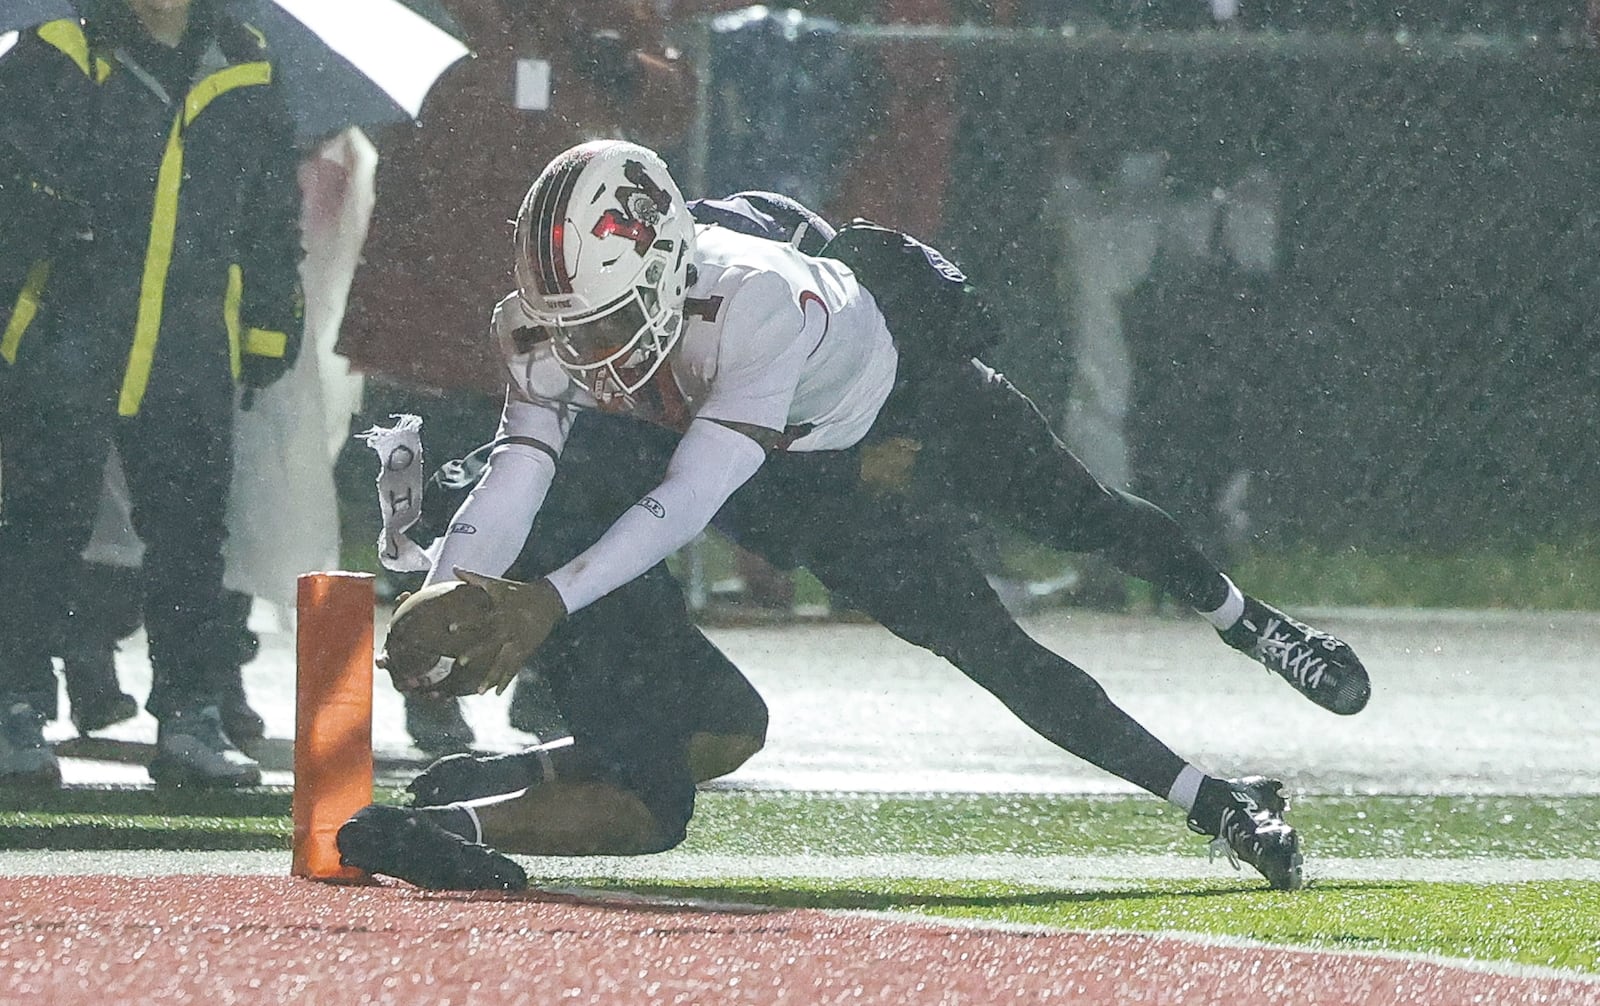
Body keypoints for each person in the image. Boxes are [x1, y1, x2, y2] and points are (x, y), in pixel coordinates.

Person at [335, 140, 1370, 892]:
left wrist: (544, 603)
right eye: (567, 324)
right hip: (793, 464)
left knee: (1083, 515)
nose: (585, 347)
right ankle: (1209, 801)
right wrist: (445, 590)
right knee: (984, 642)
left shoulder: (758, 300)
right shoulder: (547, 323)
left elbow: (691, 495)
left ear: (661, 269)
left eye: (603, 318)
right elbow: (522, 466)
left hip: (909, 398)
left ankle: (1244, 617)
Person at [333, 0, 696, 755]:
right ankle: (427, 676)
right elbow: (371, 100)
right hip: (431, 301)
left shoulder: (602, 23)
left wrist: (628, 69)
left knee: (564, 505)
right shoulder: (434, 15)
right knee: (423, 512)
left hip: (562, 311)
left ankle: (547, 681)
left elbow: (672, 107)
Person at [0, 0, 304, 787]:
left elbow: (272, 208)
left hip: (189, 342)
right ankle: (14, 707)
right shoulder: (53, 52)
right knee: (38, 528)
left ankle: (189, 716)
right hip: (65, 329)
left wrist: (272, 320)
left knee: (193, 541)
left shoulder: (248, 56)